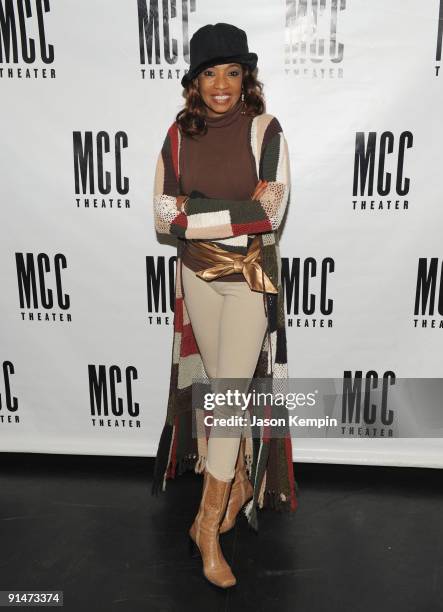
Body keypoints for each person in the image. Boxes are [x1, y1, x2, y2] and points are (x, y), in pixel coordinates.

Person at [152, 22, 298, 589]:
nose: (221, 84)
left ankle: (206, 526)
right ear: (194, 81)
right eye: (209, 72)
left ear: (246, 77)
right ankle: (234, 483)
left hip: (248, 281)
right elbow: (164, 216)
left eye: (232, 72)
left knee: (232, 397)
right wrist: (228, 212)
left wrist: (199, 213)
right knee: (219, 389)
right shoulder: (177, 135)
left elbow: (269, 214)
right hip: (197, 279)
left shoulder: (266, 130)